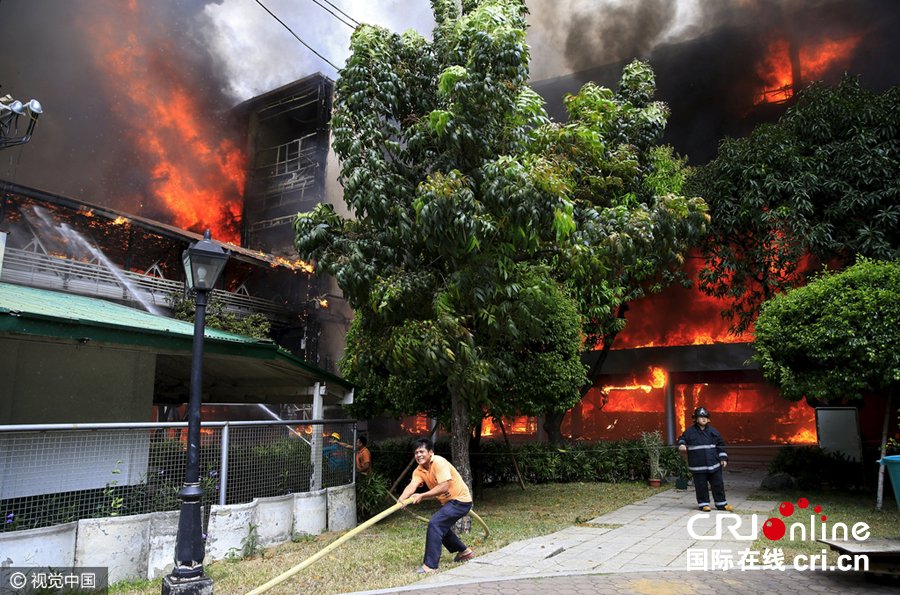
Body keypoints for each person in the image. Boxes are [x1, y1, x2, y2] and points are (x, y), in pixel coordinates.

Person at [398, 437, 475, 573]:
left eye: (422, 451)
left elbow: (444, 487)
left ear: (430, 452)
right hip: (450, 502)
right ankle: (464, 552)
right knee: (441, 527)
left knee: (435, 524)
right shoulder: (419, 470)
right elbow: (413, 485)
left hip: (460, 501)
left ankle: (430, 566)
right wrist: (402, 499)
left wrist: (422, 495)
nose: (419, 455)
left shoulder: (439, 462)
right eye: (416, 453)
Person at [677, 407, 733, 512]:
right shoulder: (690, 432)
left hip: (714, 464)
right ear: (696, 418)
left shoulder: (713, 431)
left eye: (705, 417)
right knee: (701, 485)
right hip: (698, 465)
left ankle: (721, 503)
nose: (703, 419)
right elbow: (682, 439)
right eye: (701, 417)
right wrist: (682, 445)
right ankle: (704, 504)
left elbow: (720, 445)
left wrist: (723, 458)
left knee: (718, 484)